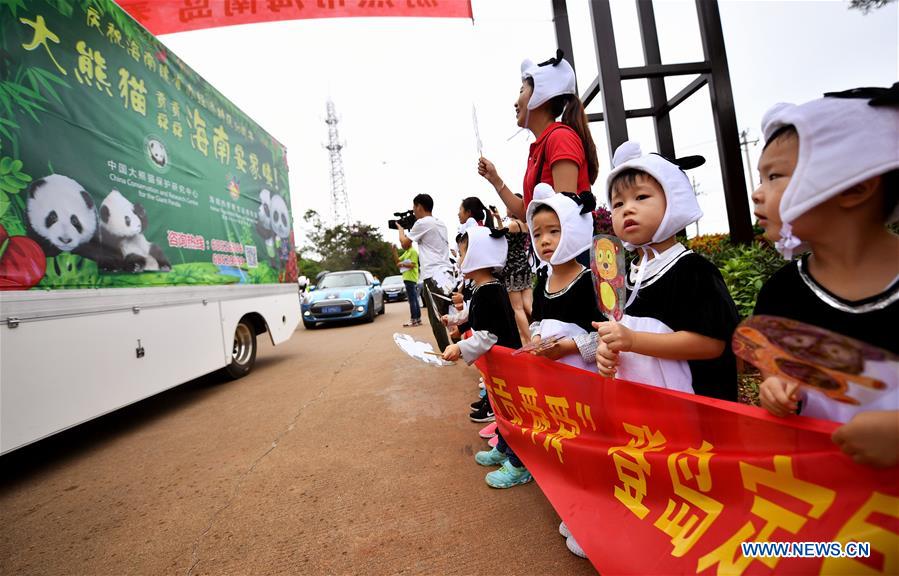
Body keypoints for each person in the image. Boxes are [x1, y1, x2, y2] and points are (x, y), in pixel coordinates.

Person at [750, 86, 899, 467]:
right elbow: (776, 369)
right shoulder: (781, 292)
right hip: (834, 505)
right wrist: (775, 388)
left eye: (774, 176)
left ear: (855, 187)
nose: (757, 193)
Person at [591, 141, 740, 402]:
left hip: (695, 416)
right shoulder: (626, 275)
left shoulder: (693, 270)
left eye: (641, 197)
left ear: (673, 199)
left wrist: (633, 340)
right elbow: (622, 331)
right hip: (647, 413)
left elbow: (713, 344)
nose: (627, 208)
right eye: (617, 204)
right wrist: (607, 348)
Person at [523, 183, 604, 559]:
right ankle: (574, 509)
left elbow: (601, 333)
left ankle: (594, 520)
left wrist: (570, 347)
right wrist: (539, 336)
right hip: (553, 381)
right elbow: (538, 319)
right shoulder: (542, 281)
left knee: (588, 444)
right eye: (538, 233)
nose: (545, 240)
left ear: (574, 229)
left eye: (554, 231)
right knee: (563, 442)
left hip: (584, 381)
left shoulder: (590, 279)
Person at [440, 221, 530, 489]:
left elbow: (488, 334)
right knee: (501, 410)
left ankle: (519, 464)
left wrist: (459, 347)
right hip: (496, 368)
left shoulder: (491, 290)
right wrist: (455, 319)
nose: (460, 258)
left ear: (480, 254)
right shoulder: (483, 287)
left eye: (464, 252)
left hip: (507, 368)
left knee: (511, 415)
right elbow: (473, 316)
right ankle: (503, 449)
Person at [477, 49, 598, 222]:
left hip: (568, 248)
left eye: (521, 90)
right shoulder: (541, 145)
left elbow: (566, 212)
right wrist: (495, 179)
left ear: (541, 94)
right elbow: (526, 212)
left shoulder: (560, 138)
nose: (515, 102)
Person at [398, 193, 455, 351]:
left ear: (419, 206)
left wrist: (400, 229)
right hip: (447, 273)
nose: (413, 211)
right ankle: (459, 348)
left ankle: (446, 352)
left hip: (433, 275)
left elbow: (404, 244)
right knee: (450, 312)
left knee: (436, 316)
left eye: (414, 207)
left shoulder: (422, 223)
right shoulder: (440, 223)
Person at [491, 195, 533, 346]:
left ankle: (528, 340)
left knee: (517, 308)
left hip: (512, 268)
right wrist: (498, 218)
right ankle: (539, 330)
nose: (507, 206)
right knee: (529, 304)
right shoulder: (525, 225)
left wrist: (497, 220)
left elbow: (499, 235)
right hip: (524, 265)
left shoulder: (513, 225)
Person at [394, 244, 421, 327]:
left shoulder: (413, 251)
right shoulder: (407, 252)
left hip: (411, 278)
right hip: (407, 278)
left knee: (412, 300)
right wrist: (394, 251)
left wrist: (402, 265)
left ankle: (414, 320)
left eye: (403, 243)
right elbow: (398, 261)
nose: (402, 244)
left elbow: (413, 265)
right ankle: (417, 319)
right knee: (414, 299)